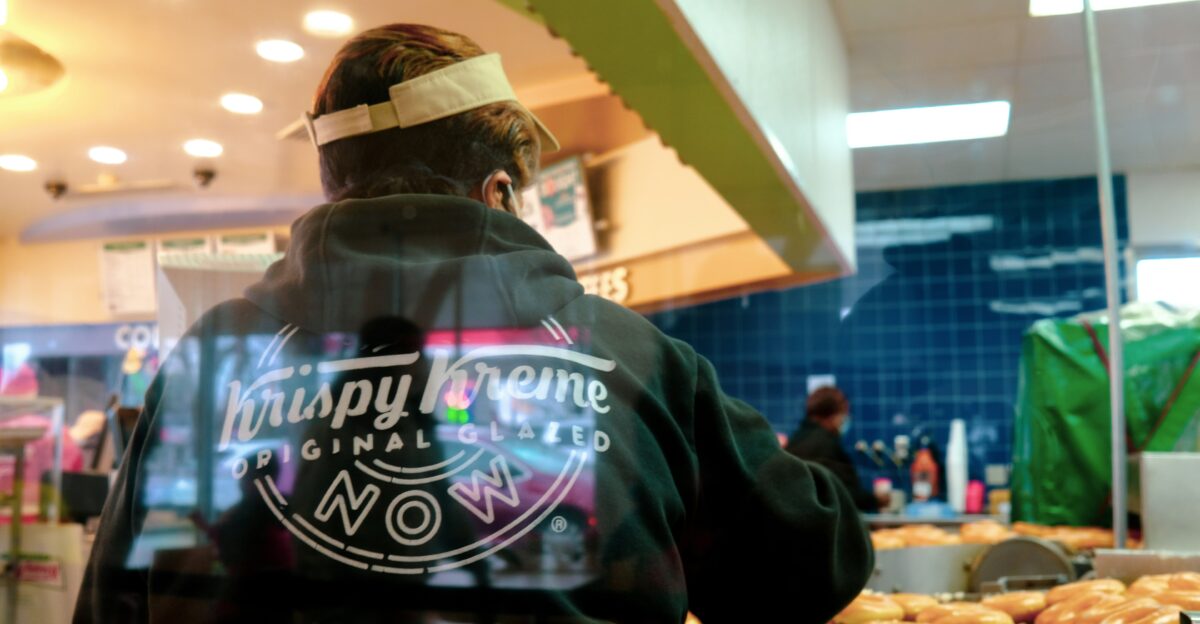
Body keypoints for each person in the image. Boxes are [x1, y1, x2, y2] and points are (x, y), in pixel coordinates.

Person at [76, 24, 871, 623]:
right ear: (498, 194)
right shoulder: (636, 361)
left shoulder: (209, 360)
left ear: (334, 186)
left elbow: (114, 607)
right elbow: (811, 568)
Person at [785, 386, 879, 512]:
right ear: (832, 416)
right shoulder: (825, 445)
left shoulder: (795, 440)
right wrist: (875, 499)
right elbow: (842, 493)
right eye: (844, 414)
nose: (845, 419)